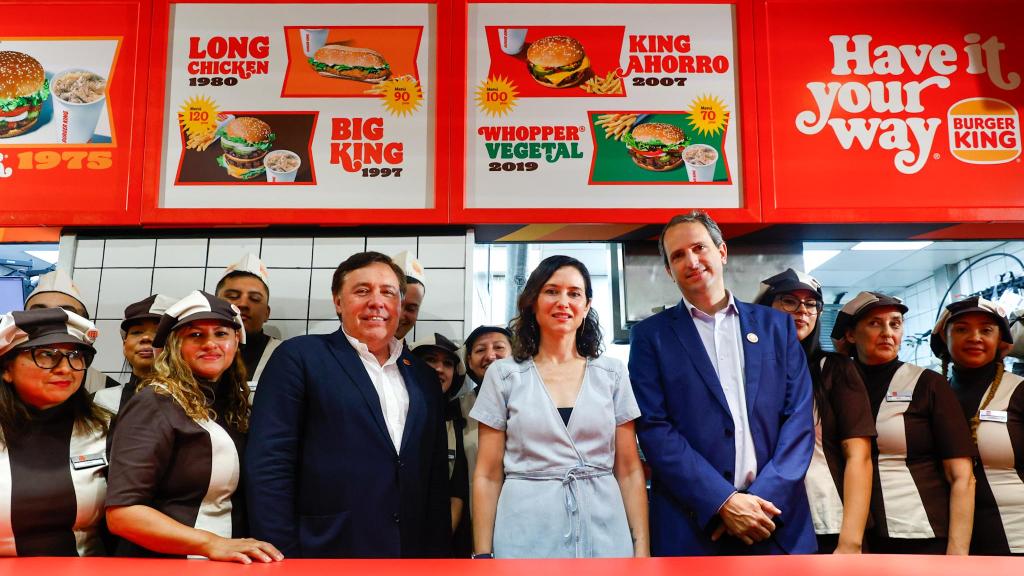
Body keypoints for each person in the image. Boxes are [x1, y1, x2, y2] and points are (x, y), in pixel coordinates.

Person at [629, 211, 816, 555]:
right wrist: (722, 501)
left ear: (722, 252)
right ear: (669, 272)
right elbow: (655, 429)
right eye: (678, 255)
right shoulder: (650, 337)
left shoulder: (776, 327)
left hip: (775, 519)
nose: (692, 260)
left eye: (699, 247)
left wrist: (761, 501)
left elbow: (799, 420)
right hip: (694, 524)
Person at [246, 251, 449, 558]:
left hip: (410, 551)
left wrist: (438, 555)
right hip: (323, 547)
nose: (377, 302)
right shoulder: (301, 357)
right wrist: (280, 553)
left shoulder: (421, 375)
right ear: (338, 302)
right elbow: (269, 462)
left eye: (388, 292)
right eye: (362, 291)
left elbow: (433, 475)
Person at [471, 255, 649, 558]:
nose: (563, 301)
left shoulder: (612, 373)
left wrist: (641, 548)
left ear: (587, 306)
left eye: (574, 293)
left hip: (604, 525)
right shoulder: (504, 374)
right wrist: (483, 554)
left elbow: (629, 470)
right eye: (551, 291)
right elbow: (487, 474)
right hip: (524, 526)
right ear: (532, 301)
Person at [105, 291, 282, 564]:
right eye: (196, 335)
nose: (210, 344)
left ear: (237, 341)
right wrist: (211, 543)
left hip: (226, 563)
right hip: (164, 564)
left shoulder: (233, 404)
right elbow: (123, 513)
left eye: (221, 334)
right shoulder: (155, 402)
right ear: (175, 345)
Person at [832, 291, 974, 555]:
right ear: (850, 335)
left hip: (919, 531)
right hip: (847, 533)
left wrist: (958, 553)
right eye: (875, 323)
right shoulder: (833, 383)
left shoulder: (929, 384)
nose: (887, 332)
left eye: (895, 324)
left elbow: (962, 476)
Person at [754, 269, 874, 553]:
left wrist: (850, 541)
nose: (802, 312)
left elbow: (859, 456)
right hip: (762, 517)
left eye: (811, 304)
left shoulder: (835, 369)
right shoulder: (750, 373)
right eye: (789, 301)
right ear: (765, 308)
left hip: (827, 520)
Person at [0, 308, 109, 556]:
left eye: (75, 355)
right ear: (6, 369)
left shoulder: (104, 430)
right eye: (47, 355)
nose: (66, 368)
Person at [930, 296, 1023, 555]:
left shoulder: (1019, 391)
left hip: (1016, 532)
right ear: (943, 340)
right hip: (946, 535)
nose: (975, 337)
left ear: (1002, 342)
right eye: (961, 329)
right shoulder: (931, 396)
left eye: (986, 330)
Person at [410, 333, 472, 557]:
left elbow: (456, 492)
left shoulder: (457, 421)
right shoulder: (393, 413)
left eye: (447, 364)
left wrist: (439, 544)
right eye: (430, 360)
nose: (439, 368)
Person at [25, 269, 116, 392]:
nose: (52, 321)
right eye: (39, 313)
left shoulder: (105, 392)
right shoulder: (7, 375)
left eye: (66, 315)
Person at [93, 294, 176, 416]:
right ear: (124, 344)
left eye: (159, 332)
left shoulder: (198, 402)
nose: (146, 338)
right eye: (136, 332)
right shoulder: (100, 403)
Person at [457, 325, 512, 502]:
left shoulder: (534, 402)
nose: (490, 356)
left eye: (499, 347)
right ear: (469, 361)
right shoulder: (458, 409)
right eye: (480, 350)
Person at [215, 254, 281, 389]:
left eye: (255, 299)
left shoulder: (284, 355)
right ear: (214, 304)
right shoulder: (193, 349)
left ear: (267, 313)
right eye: (233, 296)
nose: (243, 304)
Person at [393, 251, 426, 342]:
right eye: (395, 305)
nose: (400, 316)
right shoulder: (352, 352)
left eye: (410, 308)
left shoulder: (410, 356)